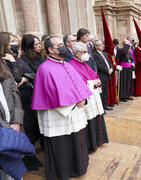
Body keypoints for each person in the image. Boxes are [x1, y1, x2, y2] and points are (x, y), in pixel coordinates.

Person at [31, 36, 92, 180]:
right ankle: (65, 171)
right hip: (59, 114)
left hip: (74, 111)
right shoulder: (44, 69)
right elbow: (51, 94)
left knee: (76, 140)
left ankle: (79, 166)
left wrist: (82, 99)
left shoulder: (66, 64)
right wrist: (74, 104)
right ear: (51, 50)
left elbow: (78, 85)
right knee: (63, 145)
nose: (64, 47)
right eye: (59, 45)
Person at [69, 42, 109, 153]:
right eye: (85, 52)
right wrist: (92, 82)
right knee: (89, 120)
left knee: (96, 116)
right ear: (77, 54)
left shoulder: (84, 63)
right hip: (86, 98)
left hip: (94, 95)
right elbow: (77, 83)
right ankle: (92, 144)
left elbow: (93, 74)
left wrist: (97, 80)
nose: (87, 54)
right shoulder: (72, 65)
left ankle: (98, 140)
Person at [20, 34, 44, 170]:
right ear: (29, 46)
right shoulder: (22, 61)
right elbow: (31, 77)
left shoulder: (39, 58)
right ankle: (29, 159)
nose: (39, 46)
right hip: (28, 98)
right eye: (36, 44)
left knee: (38, 127)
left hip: (39, 97)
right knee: (29, 129)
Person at [93, 40, 113, 110]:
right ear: (96, 46)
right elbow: (99, 65)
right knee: (101, 92)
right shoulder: (94, 54)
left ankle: (105, 105)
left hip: (107, 75)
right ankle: (101, 108)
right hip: (101, 75)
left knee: (105, 91)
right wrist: (107, 70)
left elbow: (109, 62)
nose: (102, 45)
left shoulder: (104, 53)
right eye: (101, 44)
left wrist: (111, 68)